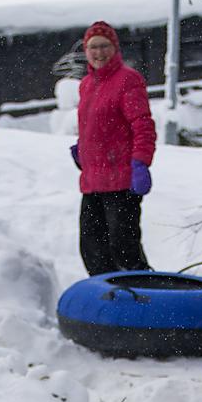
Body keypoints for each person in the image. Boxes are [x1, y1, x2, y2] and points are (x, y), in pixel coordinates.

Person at [69, 20, 157, 276]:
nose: (99, 52)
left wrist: (140, 162)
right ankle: (108, 300)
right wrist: (81, 149)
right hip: (93, 180)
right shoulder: (86, 84)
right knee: (92, 249)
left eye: (105, 46)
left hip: (122, 180)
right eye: (93, 47)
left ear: (115, 48)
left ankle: (143, 293)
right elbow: (95, 124)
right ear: (86, 51)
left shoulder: (128, 80)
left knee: (124, 249)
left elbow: (142, 125)